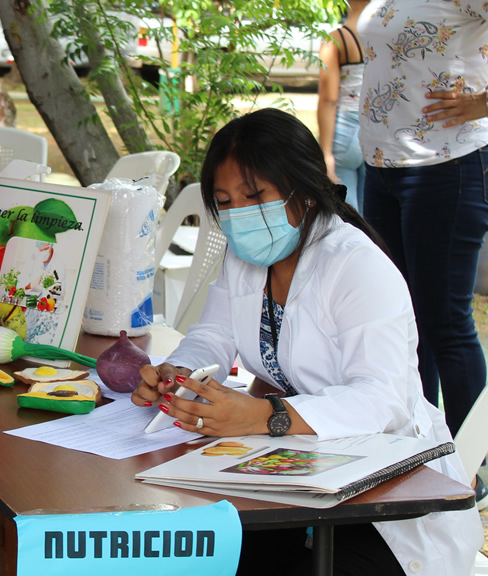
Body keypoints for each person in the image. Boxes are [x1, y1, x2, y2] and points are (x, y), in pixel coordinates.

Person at [130, 109, 483, 576]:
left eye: (254, 195)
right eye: (225, 201)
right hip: (294, 477)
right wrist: (179, 373)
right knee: (199, 551)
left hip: (385, 501)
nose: (239, 214)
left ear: (304, 189)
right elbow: (213, 336)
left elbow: (385, 399)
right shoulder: (245, 261)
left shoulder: (355, 266)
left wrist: (268, 415)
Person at [357, 0, 488, 508]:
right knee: (402, 321)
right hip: (383, 167)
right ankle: (423, 453)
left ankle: (470, 466)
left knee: (444, 323)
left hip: (447, 164)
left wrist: (481, 102)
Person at [316, 0, 368, 212]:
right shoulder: (386, 36)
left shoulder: (337, 40)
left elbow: (329, 99)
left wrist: (325, 153)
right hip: (375, 131)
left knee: (347, 215)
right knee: (373, 215)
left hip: (345, 133)